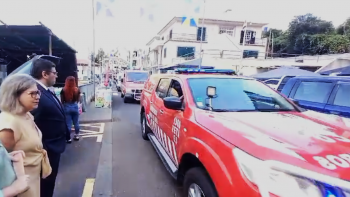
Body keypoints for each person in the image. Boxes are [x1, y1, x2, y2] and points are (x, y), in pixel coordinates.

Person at [0, 74, 52, 197]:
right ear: (15, 95)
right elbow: (3, 164)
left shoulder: (26, 115)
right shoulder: (8, 124)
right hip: (20, 187)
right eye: (32, 93)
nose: (38, 97)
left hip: (32, 179)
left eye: (38, 92)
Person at [30, 59, 71, 197]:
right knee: (45, 186)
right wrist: (43, 148)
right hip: (47, 149)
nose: (57, 75)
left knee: (49, 183)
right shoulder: (36, 93)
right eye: (54, 73)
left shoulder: (45, 90)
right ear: (45, 74)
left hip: (53, 148)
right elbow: (31, 122)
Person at [60, 76, 81, 141]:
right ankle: (77, 135)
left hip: (66, 107)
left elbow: (62, 100)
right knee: (76, 122)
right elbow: (78, 100)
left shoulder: (63, 90)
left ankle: (68, 138)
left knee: (68, 123)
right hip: (75, 106)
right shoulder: (77, 89)